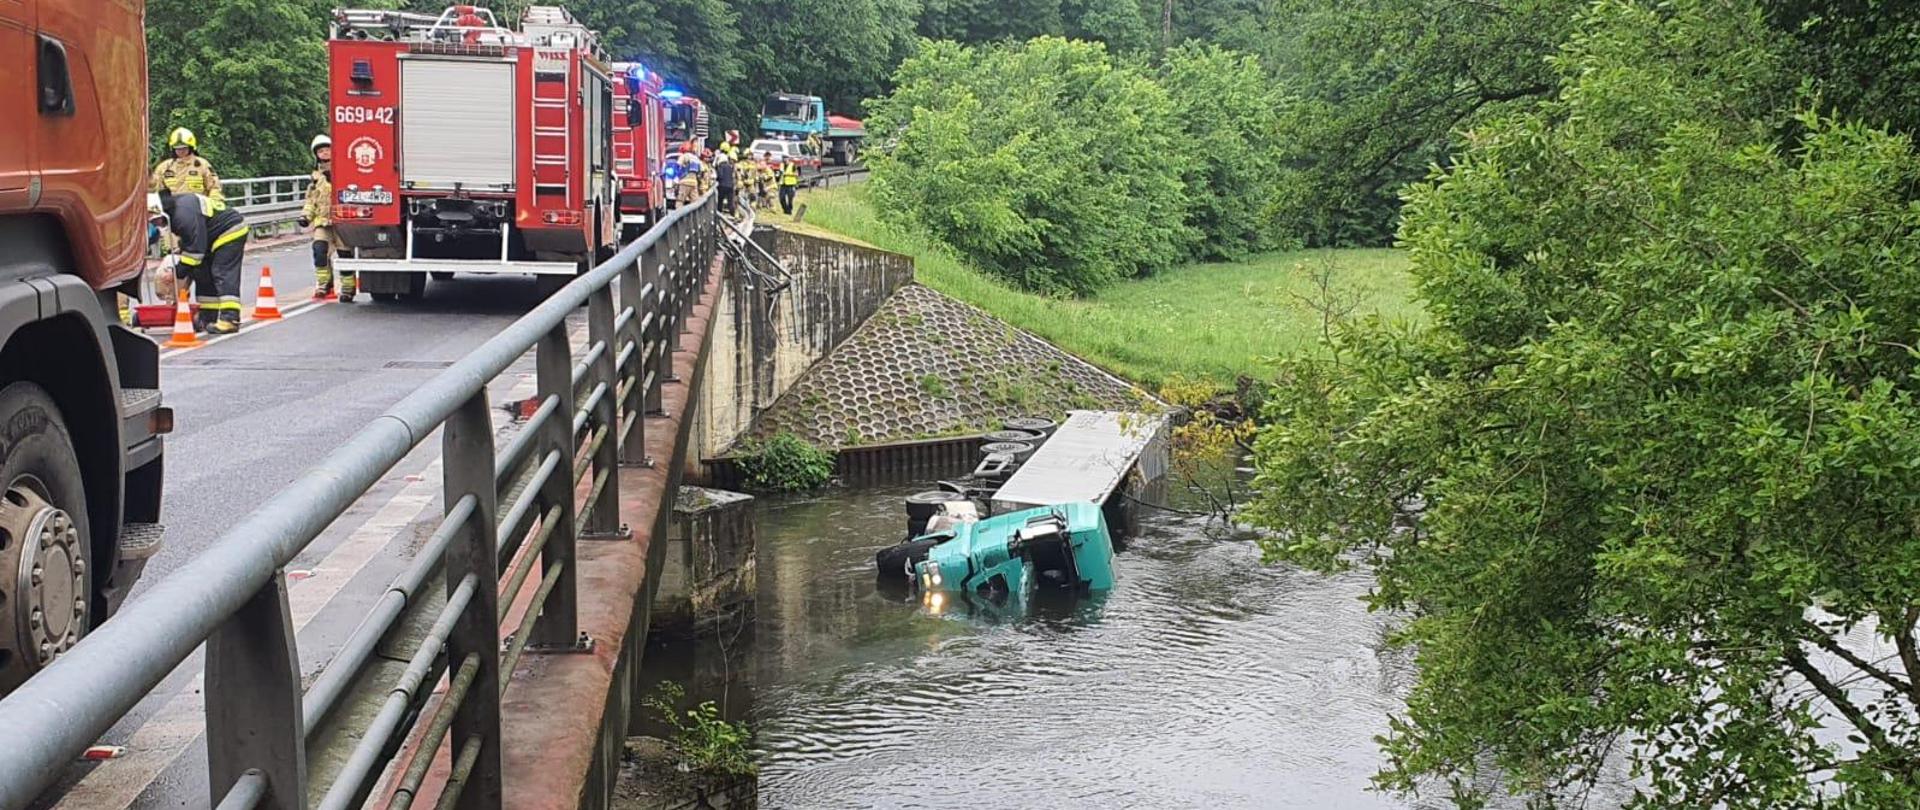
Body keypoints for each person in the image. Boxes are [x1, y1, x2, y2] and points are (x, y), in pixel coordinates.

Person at [159, 188, 248, 334]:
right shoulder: (175, 209)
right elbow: (193, 240)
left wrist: (176, 272)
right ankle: (208, 318)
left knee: (222, 272)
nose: (158, 225)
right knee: (202, 273)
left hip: (229, 231)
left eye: (157, 221)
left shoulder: (182, 215)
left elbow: (195, 252)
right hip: (209, 237)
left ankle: (230, 319)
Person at [300, 135, 353, 302]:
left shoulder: (346, 170)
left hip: (343, 221)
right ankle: (324, 285)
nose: (324, 153)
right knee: (319, 251)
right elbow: (311, 199)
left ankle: (348, 288)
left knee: (345, 256)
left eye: (327, 149)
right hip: (323, 221)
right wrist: (306, 216)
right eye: (320, 151)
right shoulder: (316, 177)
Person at [150, 127, 223, 202]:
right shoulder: (164, 167)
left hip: (197, 209)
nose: (181, 151)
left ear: (191, 147)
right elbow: (155, 191)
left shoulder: (202, 165)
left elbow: (215, 188)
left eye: (184, 148)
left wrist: (215, 204)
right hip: (173, 210)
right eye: (177, 148)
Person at [714, 152, 737, 216]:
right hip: (730, 186)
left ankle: (719, 214)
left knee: (720, 201)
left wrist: (716, 179)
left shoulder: (720, 166)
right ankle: (733, 214)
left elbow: (720, 176)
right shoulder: (730, 166)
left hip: (722, 186)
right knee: (730, 202)